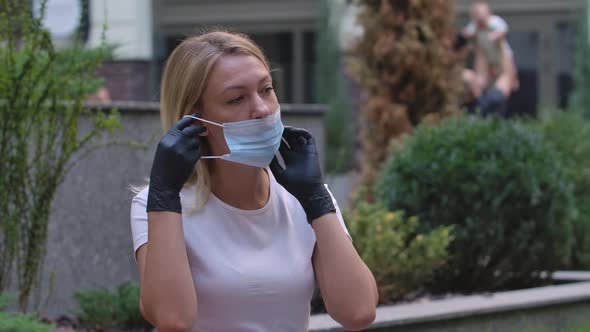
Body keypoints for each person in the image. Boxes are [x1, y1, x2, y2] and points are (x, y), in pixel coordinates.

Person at [129, 31, 378, 332]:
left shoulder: (305, 197)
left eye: (266, 89)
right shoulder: (157, 205)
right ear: (195, 122)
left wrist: (316, 199)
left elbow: (359, 311)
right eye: (236, 99)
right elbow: (172, 320)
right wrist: (164, 193)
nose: (261, 109)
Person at [461, 1, 519, 116]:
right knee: (484, 94)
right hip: (488, 61)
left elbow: (502, 31)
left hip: (501, 60)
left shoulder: (495, 22)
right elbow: (466, 34)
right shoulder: (475, 27)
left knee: (497, 95)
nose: (481, 19)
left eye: (483, 14)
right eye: (477, 15)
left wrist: (494, 36)